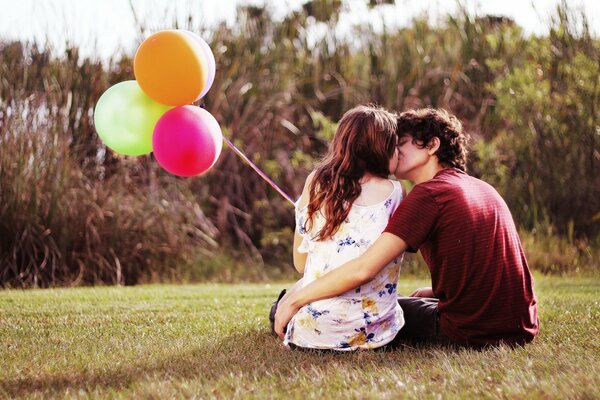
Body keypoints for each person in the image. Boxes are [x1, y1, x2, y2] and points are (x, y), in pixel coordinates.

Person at [275, 108, 539, 348]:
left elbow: (364, 269)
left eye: (400, 144)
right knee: (401, 300)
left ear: (432, 146)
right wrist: (436, 293)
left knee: (374, 306)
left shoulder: (428, 195)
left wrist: (295, 300)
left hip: (470, 332)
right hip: (520, 325)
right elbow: (490, 266)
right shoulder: (480, 188)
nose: (394, 151)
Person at [270, 104, 406, 351]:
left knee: (281, 304)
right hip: (377, 332)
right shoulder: (395, 192)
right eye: (394, 146)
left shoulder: (316, 182)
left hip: (316, 332)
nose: (398, 153)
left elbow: (301, 265)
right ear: (381, 148)